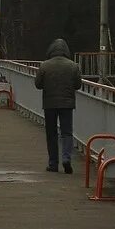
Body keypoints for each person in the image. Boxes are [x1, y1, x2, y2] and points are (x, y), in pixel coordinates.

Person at [34, 38, 82, 173]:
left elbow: (38, 85)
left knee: (51, 133)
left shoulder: (44, 65)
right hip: (67, 104)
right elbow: (78, 85)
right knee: (67, 133)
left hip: (49, 104)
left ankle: (53, 163)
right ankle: (66, 158)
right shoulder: (73, 66)